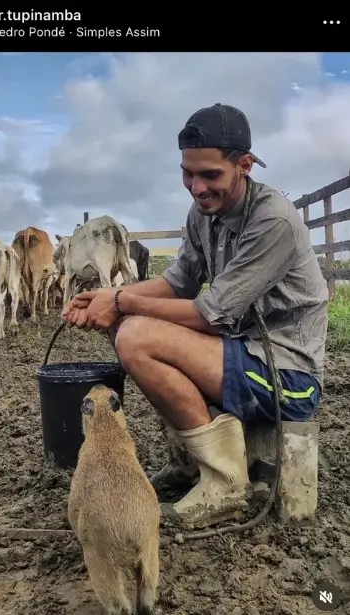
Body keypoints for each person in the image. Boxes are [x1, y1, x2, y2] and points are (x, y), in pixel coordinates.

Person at [61, 103, 329, 530]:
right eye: (188, 173)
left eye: (210, 175)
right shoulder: (204, 215)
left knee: (136, 337)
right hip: (239, 355)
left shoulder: (272, 219)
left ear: (244, 165)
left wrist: (125, 302)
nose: (197, 187)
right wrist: (110, 296)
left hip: (287, 376)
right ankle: (187, 461)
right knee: (125, 326)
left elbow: (211, 314)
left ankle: (225, 484)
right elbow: (177, 283)